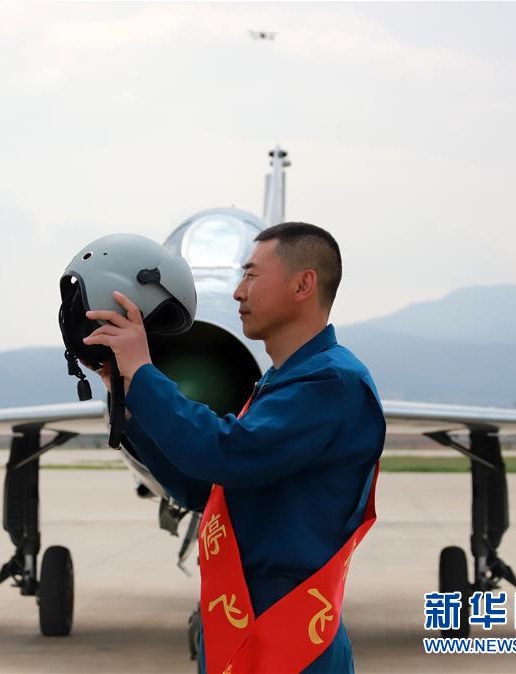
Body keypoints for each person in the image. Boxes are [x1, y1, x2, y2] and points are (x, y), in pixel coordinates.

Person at [83, 222, 385, 673]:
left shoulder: (329, 383)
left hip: (289, 633)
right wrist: (125, 398)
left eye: (251, 276)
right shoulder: (280, 385)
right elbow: (201, 488)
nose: (238, 292)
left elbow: (223, 452)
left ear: (304, 284)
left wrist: (144, 372)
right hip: (242, 624)